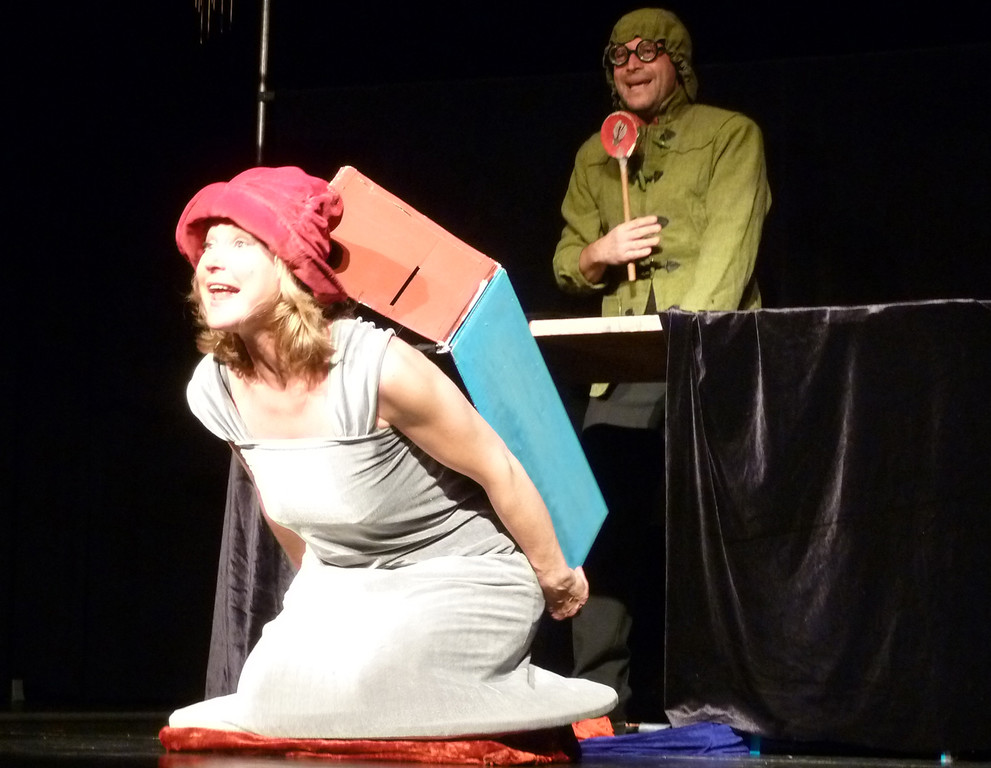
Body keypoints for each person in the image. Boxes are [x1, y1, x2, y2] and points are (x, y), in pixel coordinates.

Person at [167, 166, 617, 738]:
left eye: (238, 244)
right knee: (272, 694)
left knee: (372, 685)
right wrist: (315, 608)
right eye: (208, 247)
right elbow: (282, 510)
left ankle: (554, 705)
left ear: (290, 265)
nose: (211, 261)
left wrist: (555, 574)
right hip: (351, 582)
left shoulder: (377, 368)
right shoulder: (215, 391)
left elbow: (498, 466)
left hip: (460, 574)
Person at [552, 8, 771, 728]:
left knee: (711, 531)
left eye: (648, 51)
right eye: (618, 55)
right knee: (603, 529)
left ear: (677, 58)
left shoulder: (729, 135)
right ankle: (597, 700)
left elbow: (730, 250)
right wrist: (600, 253)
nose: (632, 65)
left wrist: (687, 340)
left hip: (707, 359)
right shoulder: (595, 153)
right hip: (620, 367)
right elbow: (566, 259)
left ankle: (723, 701)